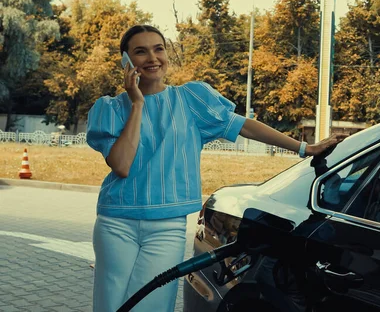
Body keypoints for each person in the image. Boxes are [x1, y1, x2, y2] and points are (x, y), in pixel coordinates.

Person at [85, 24, 345, 312]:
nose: (152, 58)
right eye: (140, 51)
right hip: (116, 223)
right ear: (127, 61)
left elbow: (244, 125)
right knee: (111, 305)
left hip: (166, 227)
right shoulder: (110, 108)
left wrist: (303, 148)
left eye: (158, 48)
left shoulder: (191, 99)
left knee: (152, 306)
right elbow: (121, 165)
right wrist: (137, 104)